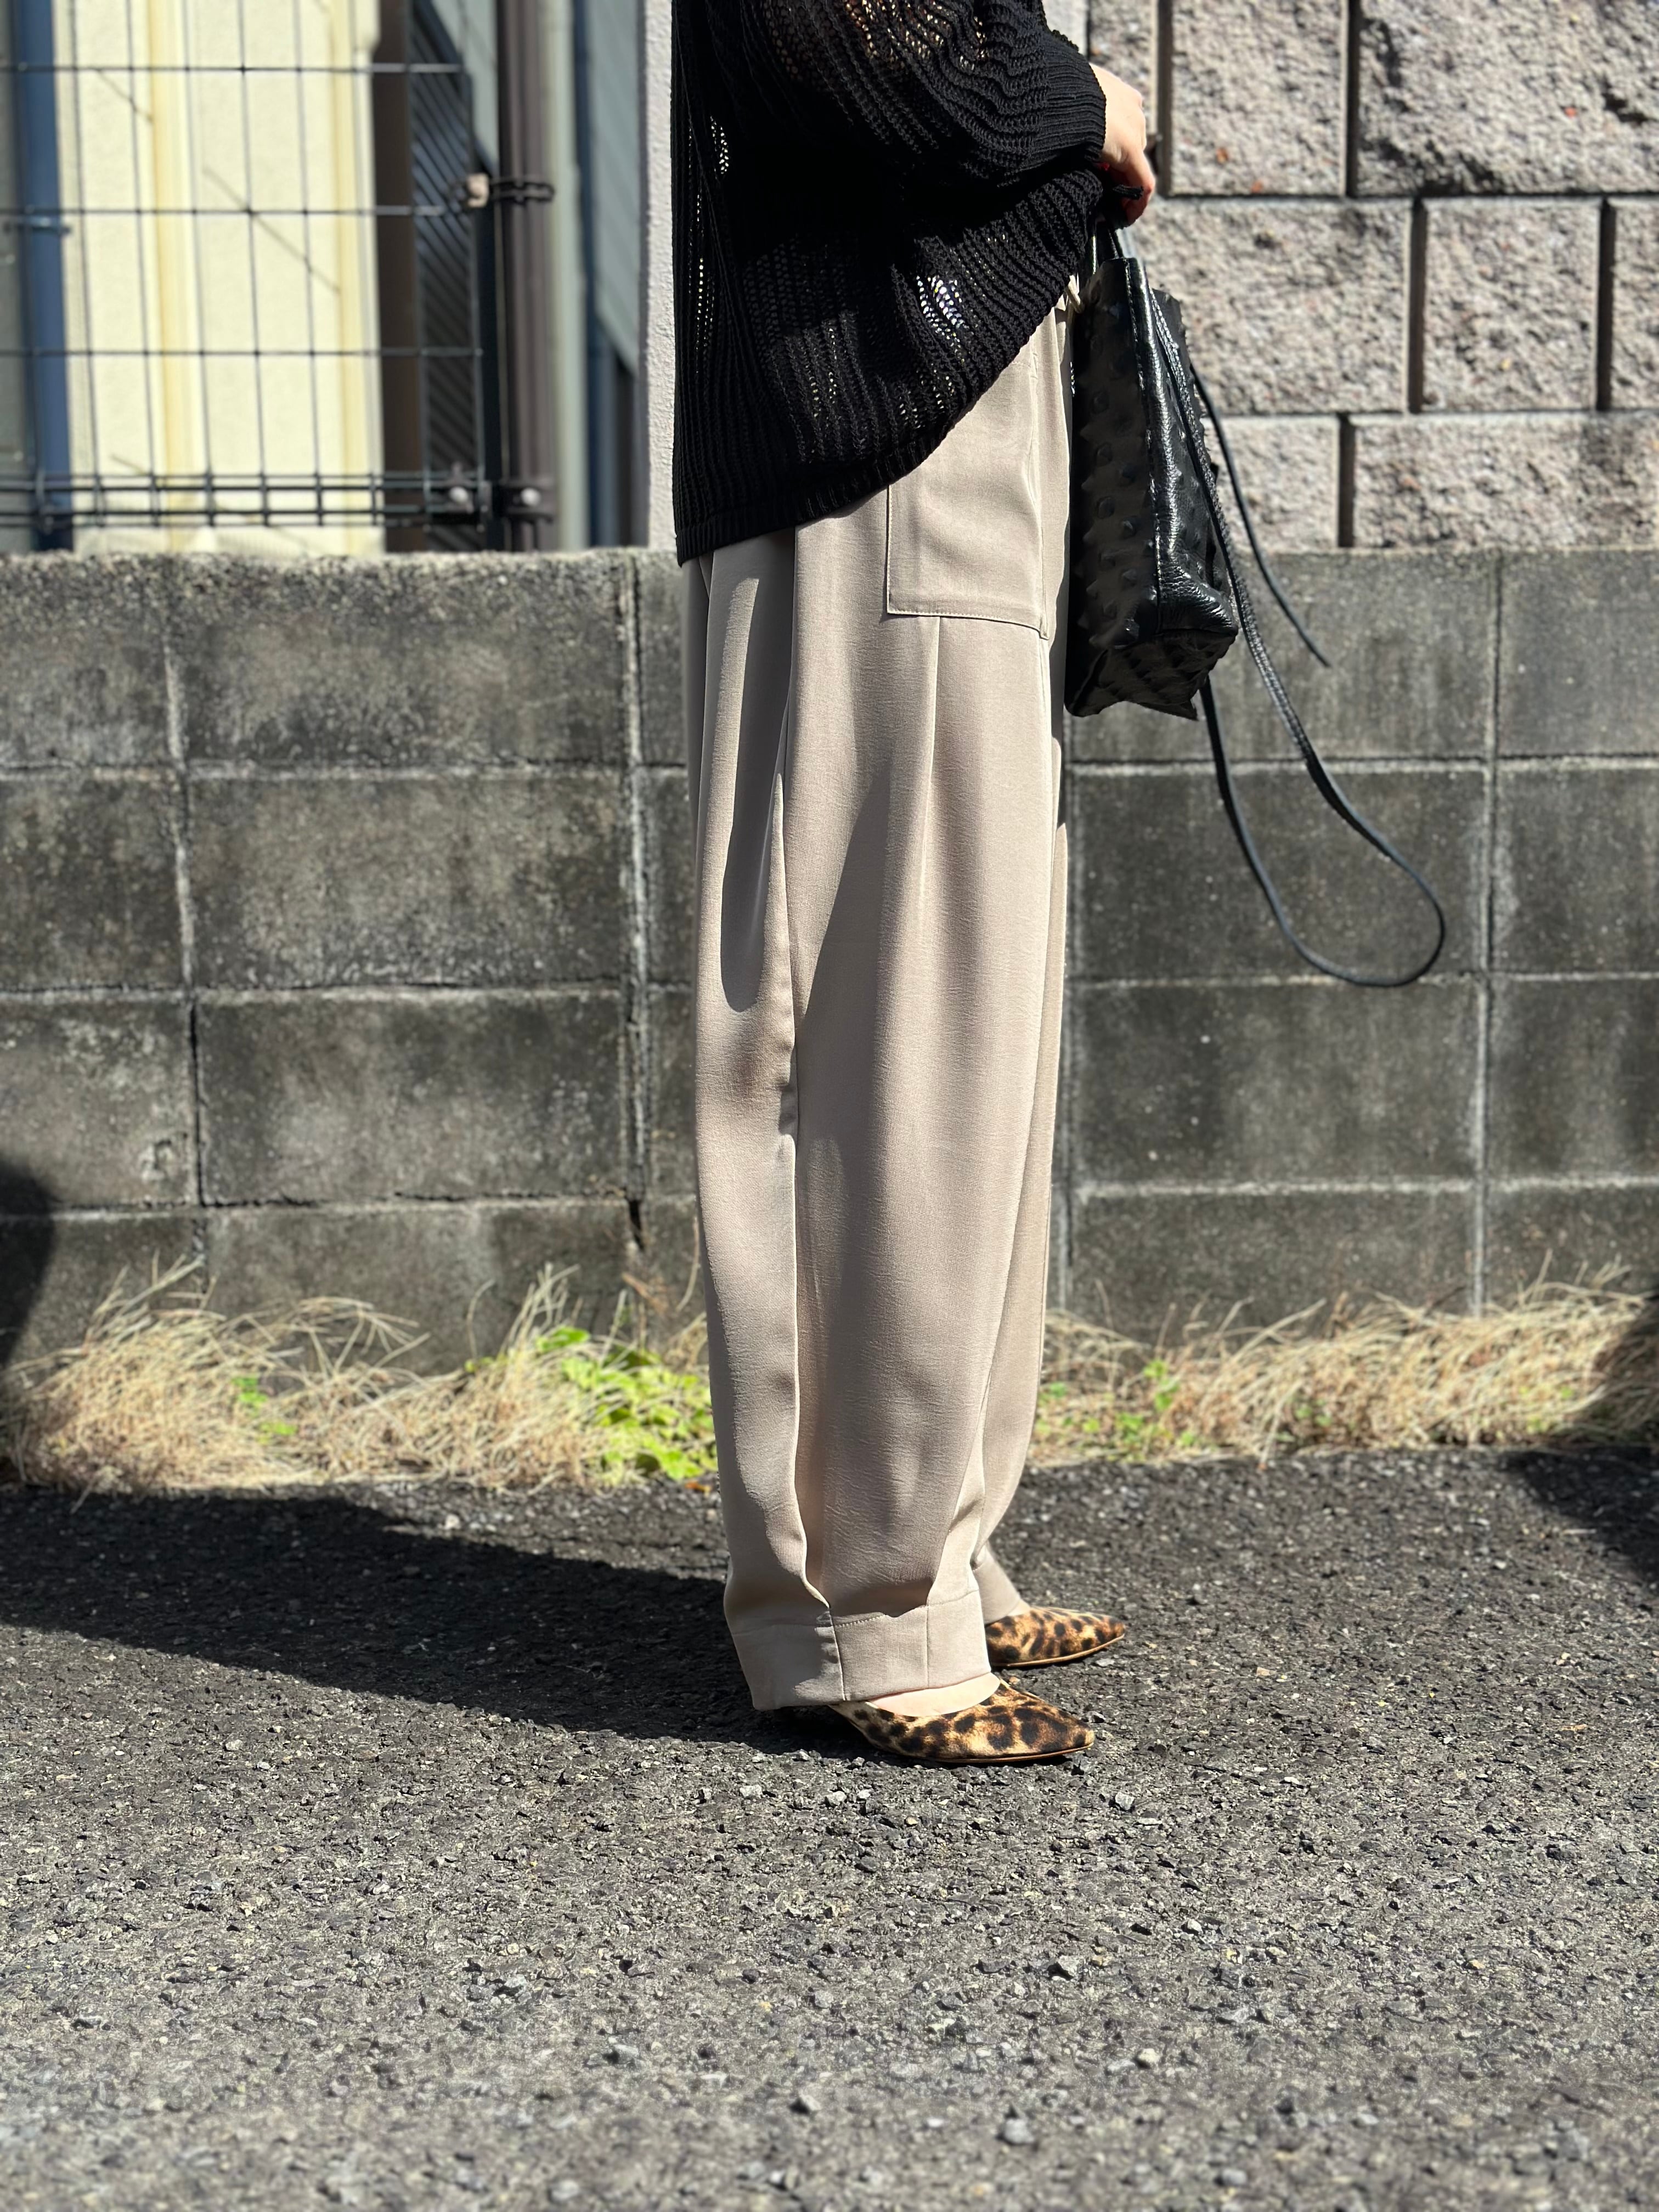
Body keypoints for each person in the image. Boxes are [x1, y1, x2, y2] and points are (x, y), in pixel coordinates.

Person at [674, 1, 1154, 1764]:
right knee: (880, 1046)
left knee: (970, 1046)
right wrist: (1089, 96)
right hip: (878, 452)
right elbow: (876, 62)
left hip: (944, 430)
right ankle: (865, 1615)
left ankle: (935, 1543)